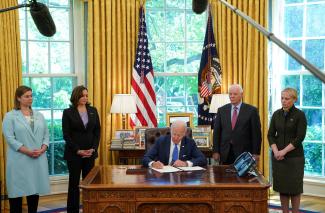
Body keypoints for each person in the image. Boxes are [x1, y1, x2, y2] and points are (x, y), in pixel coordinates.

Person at [2, 85, 50, 213]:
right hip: (19, 160)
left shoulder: (39, 116)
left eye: (31, 95)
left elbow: (46, 135)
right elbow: (10, 139)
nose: (30, 98)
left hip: (37, 159)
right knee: (17, 194)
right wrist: (28, 151)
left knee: (34, 194)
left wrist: (43, 148)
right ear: (18, 98)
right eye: (26, 96)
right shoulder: (10, 116)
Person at [62, 85, 101, 213]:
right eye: (82, 95)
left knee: (88, 185)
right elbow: (66, 135)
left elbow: (97, 131)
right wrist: (77, 150)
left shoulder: (93, 110)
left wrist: (93, 149)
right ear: (76, 96)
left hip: (90, 153)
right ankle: (72, 211)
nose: (85, 98)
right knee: (74, 184)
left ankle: (89, 209)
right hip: (74, 154)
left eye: (86, 95)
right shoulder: (67, 112)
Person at [268, 88, 307, 213]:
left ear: (294, 99)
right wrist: (275, 151)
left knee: (294, 189)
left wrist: (283, 152)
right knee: (283, 188)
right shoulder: (276, 114)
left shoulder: (300, 115)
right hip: (278, 157)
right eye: (282, 98)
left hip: (294, 158)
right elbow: (270, 135)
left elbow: (299, 137)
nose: (283, 101)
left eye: (287, 98)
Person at [212, 84, 262, 165]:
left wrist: (256, 153)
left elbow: (256, 134)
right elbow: (217, 133)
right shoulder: (222, 110)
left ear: (241, 95)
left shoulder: (252, 111)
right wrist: (215, 151)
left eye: (235, 94)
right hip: (225, 152)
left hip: (244, 153)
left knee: (243, 177)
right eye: (230, 94)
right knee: (225, 176)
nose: (232, 96)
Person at [142, 120, 207, 168]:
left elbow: (202, 159)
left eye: (179, 135)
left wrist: (186, 164)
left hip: (183, 177)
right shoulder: (161, 141)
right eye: (174, 134)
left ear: (184, 134)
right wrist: (153, 164)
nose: (175, 137)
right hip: (163, 177)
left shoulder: (189, 142)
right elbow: (145, 158)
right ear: (171, 131)